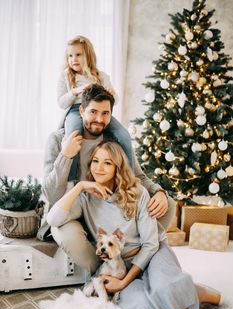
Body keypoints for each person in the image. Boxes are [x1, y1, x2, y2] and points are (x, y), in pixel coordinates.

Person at [47, 140, 233, 309]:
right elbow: (53, 220)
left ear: (117, 167)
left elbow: (151, 244)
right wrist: (79, 187)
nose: (99, 168)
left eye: (107, 162)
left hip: (153, 254)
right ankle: (195, 293)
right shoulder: (84, 198)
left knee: (164, 290)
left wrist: (122, 284)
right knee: (141, 307)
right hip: (121, 265)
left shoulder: (138, 192)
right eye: (95, 161)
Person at [42, 84, 176, 274]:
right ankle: (106, 275)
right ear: (81, 111)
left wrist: (160, 192)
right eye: (93, 112)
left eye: (105, 113)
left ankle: (139, 257)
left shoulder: (115, 141)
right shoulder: (57, 140)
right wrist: (65, 156)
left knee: (167, 204)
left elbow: (137, 175)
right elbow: (51, 194)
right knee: (69, 235)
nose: (98, 119)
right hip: (71, 207)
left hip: (105, 206)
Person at [57, 35, 134, 178]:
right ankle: (70, 180)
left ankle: (130, 176)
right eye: (70, 56)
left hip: (101, 111)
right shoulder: (66, 76)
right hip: (75, 110)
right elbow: (61, 103)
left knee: (123, 135)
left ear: (88, 55)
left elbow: (114, 101)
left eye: (78, 55)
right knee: (72, 138)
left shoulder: (102, 76)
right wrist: (75, 92)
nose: (73, 59)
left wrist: (112, 94)